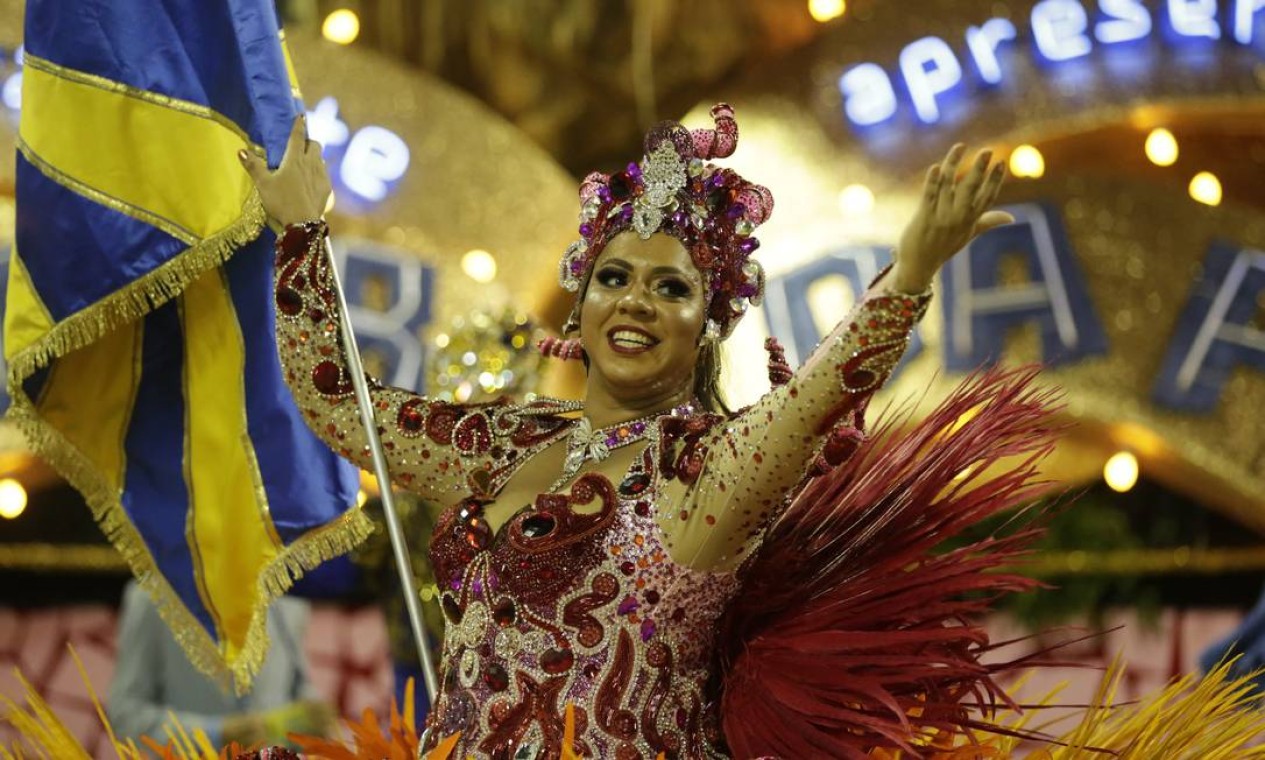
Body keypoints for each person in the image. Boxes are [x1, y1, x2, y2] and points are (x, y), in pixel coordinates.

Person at [241, 105, 1019, 758]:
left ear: (706, 326)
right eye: (613, 277)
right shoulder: (506, 441)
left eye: (670, 287)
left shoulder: (708, 469)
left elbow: (814, 400)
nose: (635, 301)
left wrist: (909, 277)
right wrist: (302, 235)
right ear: (580, 304)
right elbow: (344, 407)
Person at [108, 580, 336, 749]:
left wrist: (313, 717)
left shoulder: (288, 600)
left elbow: (297, 686)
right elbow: (125, 714)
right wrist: (214, 734)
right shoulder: (153, 596)